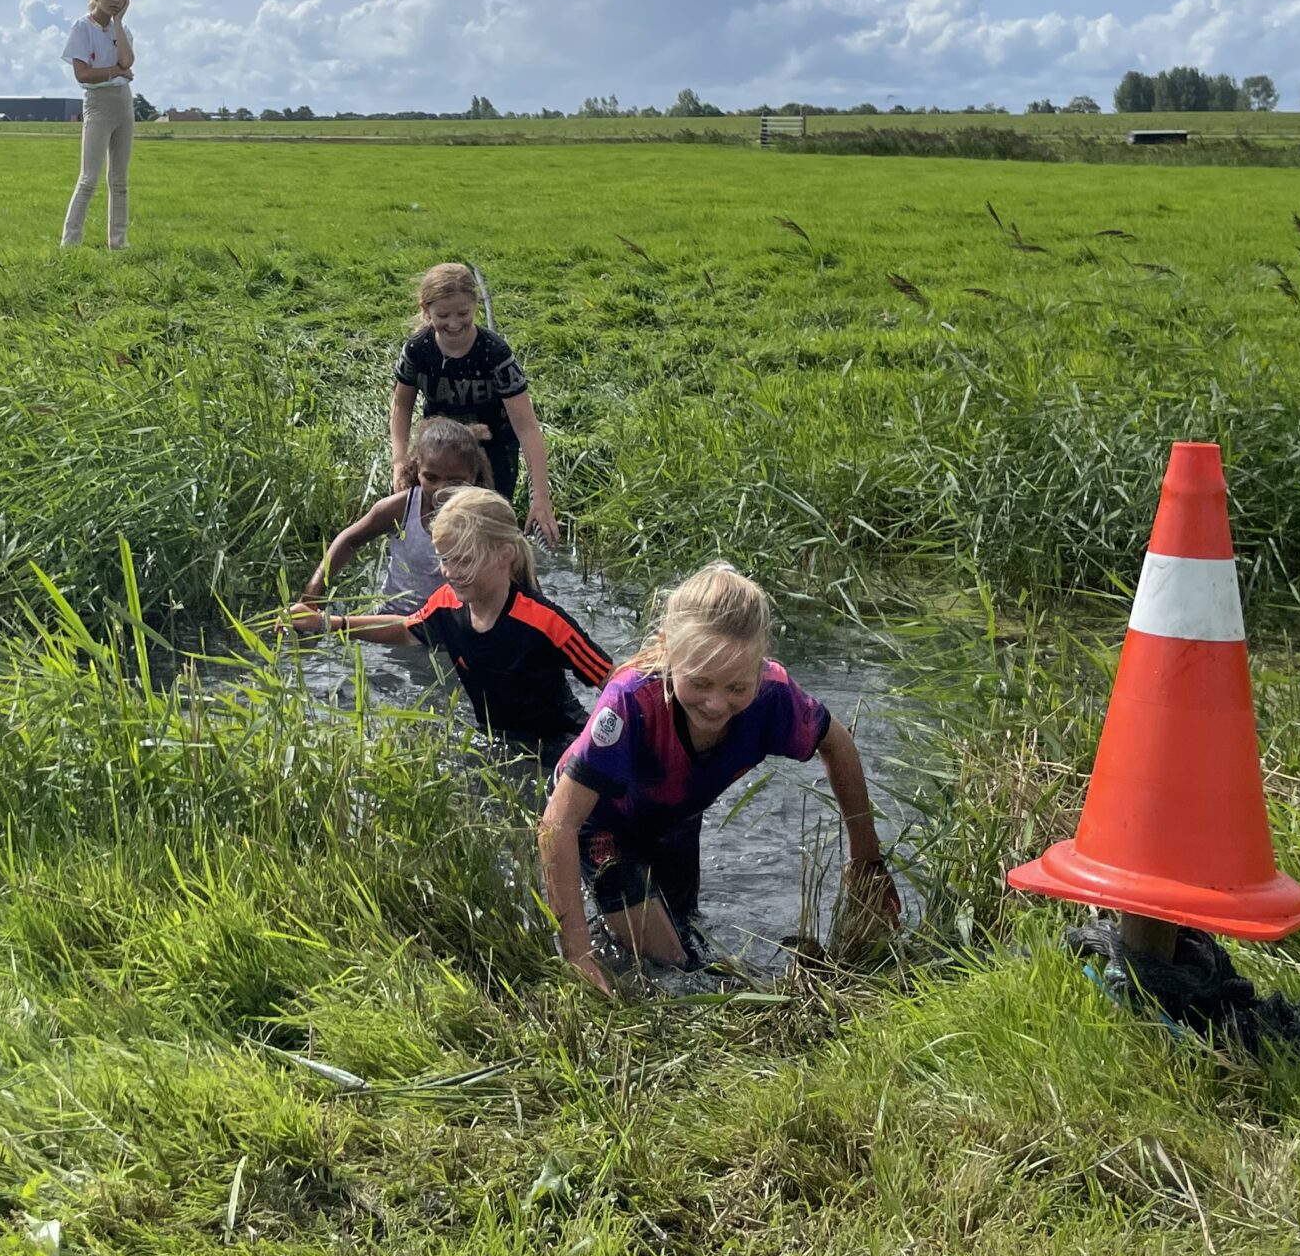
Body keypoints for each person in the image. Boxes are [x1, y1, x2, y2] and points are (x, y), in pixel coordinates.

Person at [539, 562, 897, 997]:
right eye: (700, 681)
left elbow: (838, 745)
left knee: (687, 930)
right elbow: (558, 823)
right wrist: (577, 955)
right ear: (669, 650)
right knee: (674, 966)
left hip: (675, 816)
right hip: (600, 821)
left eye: (736, 688)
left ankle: (623, 927)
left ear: (758, 668)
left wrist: (866, 863)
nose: (715, 704)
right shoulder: (631, 702)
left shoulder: (773, 696)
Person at [292, 488, 611, 765]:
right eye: (445, 559)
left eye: (463, 560)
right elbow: (404, 629)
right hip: (499, 742)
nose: (449, 572)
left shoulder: (543, 621)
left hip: (562, 747)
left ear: (504, 556)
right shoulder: (447, 605)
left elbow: (612, 679)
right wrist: (326, 623)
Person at [392, 262, 559, 545]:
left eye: (463, 314)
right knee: (437, 527)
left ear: (475, 306)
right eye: (443, 315)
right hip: (439, 448)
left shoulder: (495, 354)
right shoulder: (417, 350)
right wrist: (399, 461)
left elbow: (527, 428)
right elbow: (402, 406)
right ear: (426, 310)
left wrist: (541, 498)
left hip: (493, 451)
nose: (453, 323)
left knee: (485, 531)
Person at [298, 418, 493, 615]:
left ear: (473, 475)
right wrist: (312, 593)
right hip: (396, 616)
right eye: (431, 478)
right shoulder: (402, 508)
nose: (440, 489)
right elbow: (349, 541)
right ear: (418, 469)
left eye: (455, 481)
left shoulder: (485, 516)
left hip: (455, 622)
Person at [59, 0, 134, 249]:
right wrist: (114, 71)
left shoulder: (123, 30)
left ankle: (119, 244)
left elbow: (127, 62)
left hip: (123, 102)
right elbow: (83, 74)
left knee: (120, 180)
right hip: (98, 104)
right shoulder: (82, 27)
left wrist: (118, 23)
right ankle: (70, 245)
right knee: (89, 178)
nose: (115, 0)